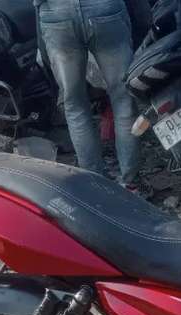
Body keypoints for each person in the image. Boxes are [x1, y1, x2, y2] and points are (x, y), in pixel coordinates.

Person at [36, 0, 142, 186]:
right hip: (104, 9)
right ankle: (131, 183)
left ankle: (94, 184)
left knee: (75, 104)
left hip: (56, 14)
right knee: (123, 99)